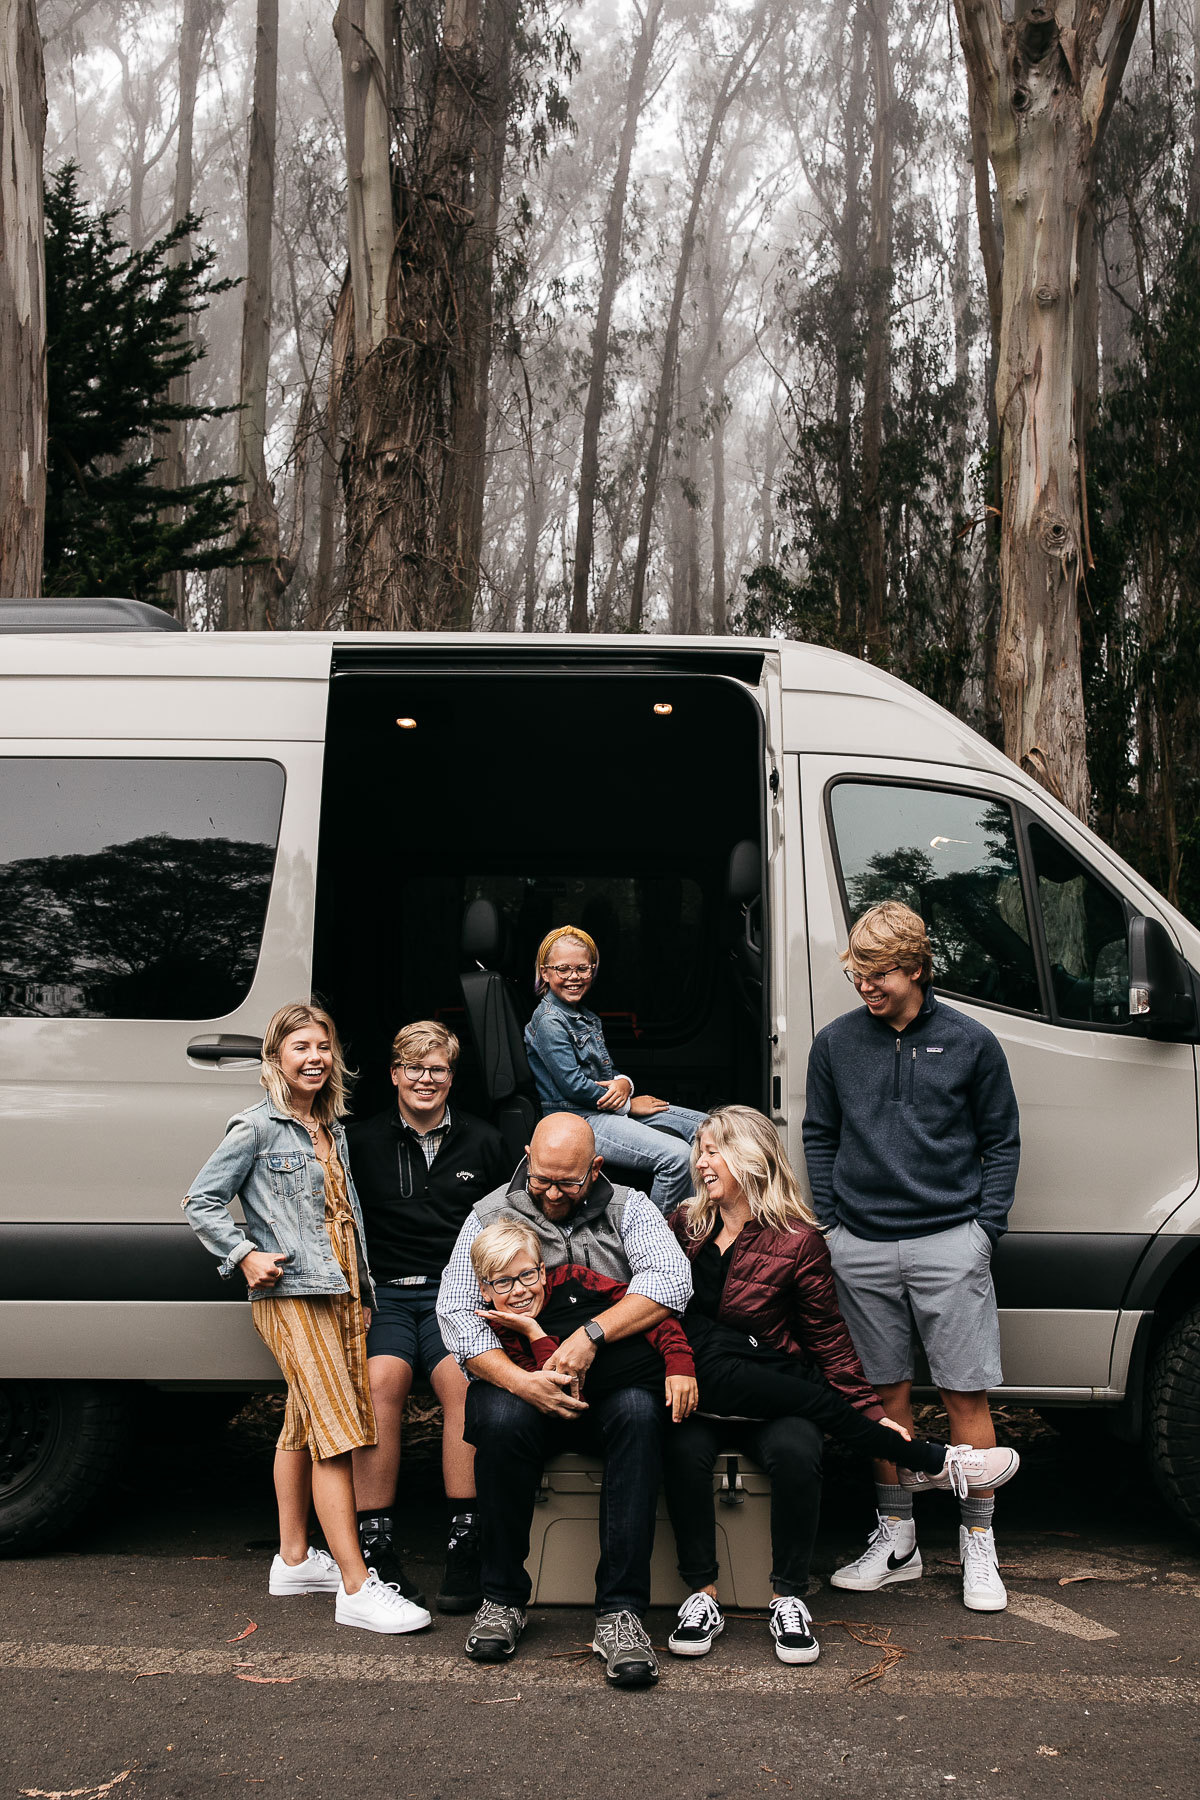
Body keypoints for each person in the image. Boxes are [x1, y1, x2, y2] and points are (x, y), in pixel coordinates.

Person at [660, 1107, 1014, 1664]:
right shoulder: (683, 1224)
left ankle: (789, 1597)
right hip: (704, 1393)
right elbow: (658, 1307)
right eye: (700, 1150)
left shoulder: (797, 1241)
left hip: (775, 1391)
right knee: (682, 1450)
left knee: (799, 1449)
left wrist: (870, 1410)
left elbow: (828, 1340)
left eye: (715, 1150)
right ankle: (702, 1595)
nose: (702, 1163)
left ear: (752, 1159)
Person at [182, 1002, 431, 1637]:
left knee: (302, 1422)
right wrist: (244, 1255)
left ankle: (293, 1559)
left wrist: (365, 1287)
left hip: (342, 1295)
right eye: (300, 1047)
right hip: (294, 1296)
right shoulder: (258, 1127)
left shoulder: (330, 1128)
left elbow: (343, 1220)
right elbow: (202, 1199)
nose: (315, 1057)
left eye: (323, 1045)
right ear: (275, 1060)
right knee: (337, 1433)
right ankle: (357, 1584)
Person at [802, 900, 1022, 1613]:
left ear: (918, 969)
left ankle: (979, 1549)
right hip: (859, 1244)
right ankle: (896, 1539)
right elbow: (819, 1135)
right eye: (859, 972)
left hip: (948, 1239)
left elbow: (1001, 1142)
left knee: (964, 1393)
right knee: (883, 1397)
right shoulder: (835, 1044)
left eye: (881, 973)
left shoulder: (972, 1042)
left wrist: (983, 1231)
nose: (867, 986)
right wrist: (833, 1226)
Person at [436, 1111, 693, 1687]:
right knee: (498, 1418)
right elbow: (457, 1312)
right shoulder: (488, 1216)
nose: (551, 1193)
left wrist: (590, 1335)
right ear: (526, 1156)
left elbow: (671, 1282)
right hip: (521, 1380)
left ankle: (621, 1614)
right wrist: (520, 1381)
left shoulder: (632, 1208)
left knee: (638, 1412)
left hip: (611, 1382)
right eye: (540, 1178)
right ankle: (501, 1597)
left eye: (567, 1183)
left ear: (594, 1169)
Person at [347, 1020, 509, 1615]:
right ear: (394, 1074)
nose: (425, 1079)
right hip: (385, 1295)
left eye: (437, 1068)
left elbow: (504, 1231)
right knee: (381, 1383)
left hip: (455, 1294)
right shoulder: (357, 1142)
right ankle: (377, 1546)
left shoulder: (485, 1142)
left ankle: (465, 1542)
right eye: (413, 1068)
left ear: (451, 1076)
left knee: (462, 1383)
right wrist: (354, 1296)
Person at [522, 925, 706, 1213]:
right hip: (579, 1117)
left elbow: (607, 1073)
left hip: (603, 1109)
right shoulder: (549, 1021)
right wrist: (629, 1105)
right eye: (563, 969)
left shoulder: (585, 1017)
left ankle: (702, 1220)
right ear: (545, 972)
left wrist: (625, 1084)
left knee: (708, 1129)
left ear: (593, 969)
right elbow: (573, 1085)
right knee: (677, 1157)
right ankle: (663, 1242)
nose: (574, 977)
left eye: (582, 968)